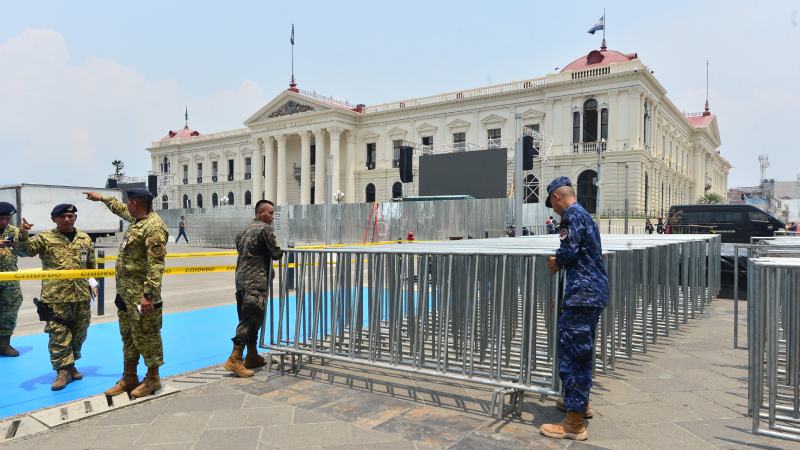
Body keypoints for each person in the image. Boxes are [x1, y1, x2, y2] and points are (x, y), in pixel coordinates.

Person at [540, 176, 609, 441]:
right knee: (582, 351)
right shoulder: (585, 215)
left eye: (552, 204)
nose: (554, 210)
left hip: (582, 295)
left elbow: (569, 251)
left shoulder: (571, 216)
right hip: (591, 293)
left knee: (574, 355)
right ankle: (578, 403)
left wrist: (556, 261)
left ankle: (574, 423)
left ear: (558, 197)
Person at [85, 189, 168, 399]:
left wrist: (147, 295)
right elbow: (119, 209)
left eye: (128, 203)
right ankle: (130, 377)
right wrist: (102, 198)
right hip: (125, 295)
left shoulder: (153, 227)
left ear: (134, 203)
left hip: (142, 297)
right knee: (128, 336)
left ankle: (152, 379)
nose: (126, 207)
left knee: (147, 335)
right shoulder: (137, 218)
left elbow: (155, 266)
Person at [17, 204, 96, 390]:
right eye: (63, 217)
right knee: (58, 335)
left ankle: (71, 366)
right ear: (54, 219)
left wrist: (93, 283)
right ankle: (62, 372)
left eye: (71, 216)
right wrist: (22, 235)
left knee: (79, 333)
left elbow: (90, 265)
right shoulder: (46, 238)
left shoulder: (84, 238)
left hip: (81, 296)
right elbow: (25, 251)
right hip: (55, 297)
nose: (67, 219)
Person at [224, 199, 282, 377]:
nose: (272, 216)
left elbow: (250, 254)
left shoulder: (244, 230)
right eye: (270, 213)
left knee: (249, 316)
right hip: (255, 282)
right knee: (251, 319)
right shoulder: (265, 229)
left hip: (241, 281)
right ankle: (235, 358)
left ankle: (252, 355)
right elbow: (276, 253)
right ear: (259, 213)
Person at [0, 202, 28, 357]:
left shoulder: (13, 232)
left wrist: (23, 235)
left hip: (9, 281)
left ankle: (4, 345)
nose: (4, 222)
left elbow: (24, 253)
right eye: (1, 218)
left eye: (7, 218)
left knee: (9, 312)